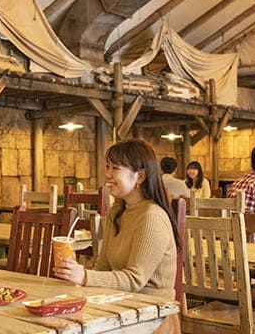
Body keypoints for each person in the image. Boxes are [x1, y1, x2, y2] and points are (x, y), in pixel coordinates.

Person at [53, 139, 180, 332]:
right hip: (118, 307)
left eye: (115, 168)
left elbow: (135, 280)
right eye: (107, 167)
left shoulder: (152, 216)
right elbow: (103, 266)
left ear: (140, 176)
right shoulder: (117, 211)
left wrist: (84, 276)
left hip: (152, 317)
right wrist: (75, 276)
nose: (108, 174)